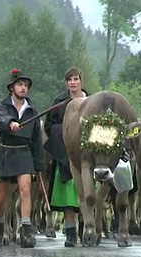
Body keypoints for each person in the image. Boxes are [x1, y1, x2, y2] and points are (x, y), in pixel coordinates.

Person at [0, 68, 44, 248]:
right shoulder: (1, 105)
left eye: (26, 85)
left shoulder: (32, 110)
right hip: (5, 151)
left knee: (25, 190)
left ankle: (26, 229)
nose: (23, 88)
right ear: (12, 87)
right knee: (1, 196)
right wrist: (10, 123)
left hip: (24, 152)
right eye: (20, 84)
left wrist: (39, 165)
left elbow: (36, 139)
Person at [43, 67, 87, 247]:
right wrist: (63, 134)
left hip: (87, 157)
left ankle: (87, 229)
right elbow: (49, 125)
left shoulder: (91, 101)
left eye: (76, 79)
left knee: (87, 194)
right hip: (65, 157)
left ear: (81, 81)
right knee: (69, 196)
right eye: (69, 79)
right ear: (66, 82)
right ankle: (70, 232)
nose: (73, 82)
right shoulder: (59, 102)